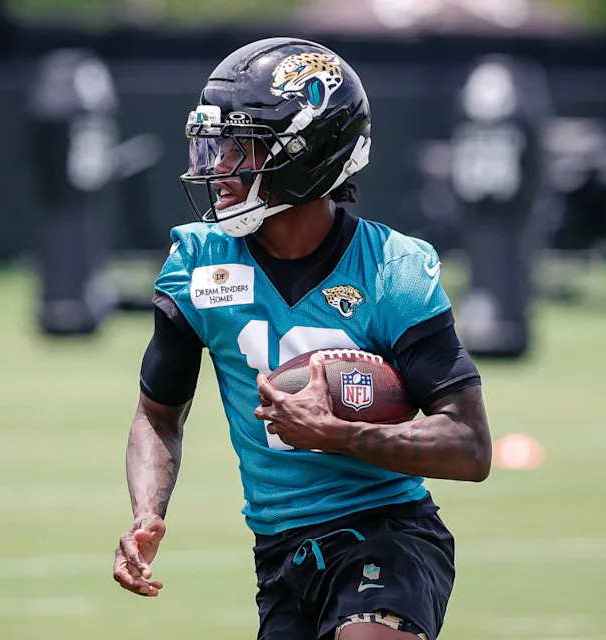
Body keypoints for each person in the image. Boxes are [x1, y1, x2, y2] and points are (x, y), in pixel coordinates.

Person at [114, 37, 492, 640]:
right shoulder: (197, 263)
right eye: (214, 145)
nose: (217, 167)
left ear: (306, 153)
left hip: (388, 533)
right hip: (280, 553)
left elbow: (471, 446)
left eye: (239, 147)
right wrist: (146, 512)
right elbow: (158, 415)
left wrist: (337, 434)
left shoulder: (391, 269)